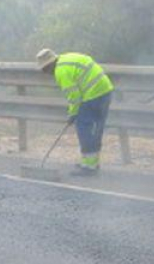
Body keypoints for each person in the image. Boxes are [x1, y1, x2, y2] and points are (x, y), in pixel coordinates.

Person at [36, 48, 114, 176]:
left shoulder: (61, 71)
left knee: (84, 128)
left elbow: (74, 97)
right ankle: (91, 162)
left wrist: (72, 114)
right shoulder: (66, 58)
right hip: (105, 90)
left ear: (49, 65)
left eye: (44, 69)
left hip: (93, 94)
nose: (46, 73)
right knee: (96, 128)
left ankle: (89, 167)